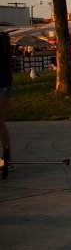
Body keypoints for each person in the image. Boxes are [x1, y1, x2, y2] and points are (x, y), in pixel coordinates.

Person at [1, 32, 12, 179]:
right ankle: (8, 158)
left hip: (3, 89)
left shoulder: (3, 56)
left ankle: (9, 159)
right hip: (4, 88)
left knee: (0, 122)